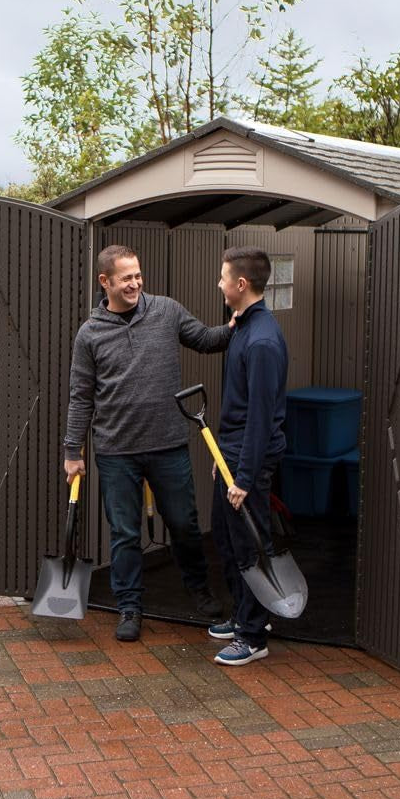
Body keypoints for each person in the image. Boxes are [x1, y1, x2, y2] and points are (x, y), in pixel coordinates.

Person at [64, 245, 231, 642]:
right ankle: (129, 607)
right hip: (116, 450)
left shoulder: (167, 311)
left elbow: (207, 339)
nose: (135, 283)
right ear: (105, 282)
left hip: (168, 444)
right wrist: (73, 452)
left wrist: (242, 319)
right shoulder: (90, 334)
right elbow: (80, 396)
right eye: (126, 278)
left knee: (185, 525)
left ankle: (199, 590)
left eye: (138, 275)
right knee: (124, 532)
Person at [208, 246, 288, 665]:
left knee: (250, 547)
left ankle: (254, 636)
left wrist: (243, 477)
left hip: (247, 461)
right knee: (226, 537)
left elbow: (259, 418)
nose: (219, 283)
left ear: (241, 284)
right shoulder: (244, 327)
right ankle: (245, 614)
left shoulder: (262, 341)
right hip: (232, 453)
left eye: (223, 277)